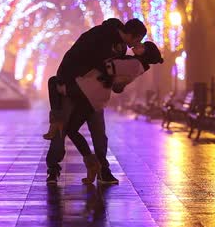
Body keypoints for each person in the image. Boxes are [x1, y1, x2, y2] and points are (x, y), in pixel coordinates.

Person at [45, 19, 147, 184]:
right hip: (73, 87)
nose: (136, 44)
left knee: (98, 132)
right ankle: (54, 168)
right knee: (63, 128)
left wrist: (119, 79)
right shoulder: (100, 35)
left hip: (93, 91)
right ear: (132, 35)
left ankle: (102, 169)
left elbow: (110, 71)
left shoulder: (119, 46)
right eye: (137, 40)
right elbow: (80, 59)